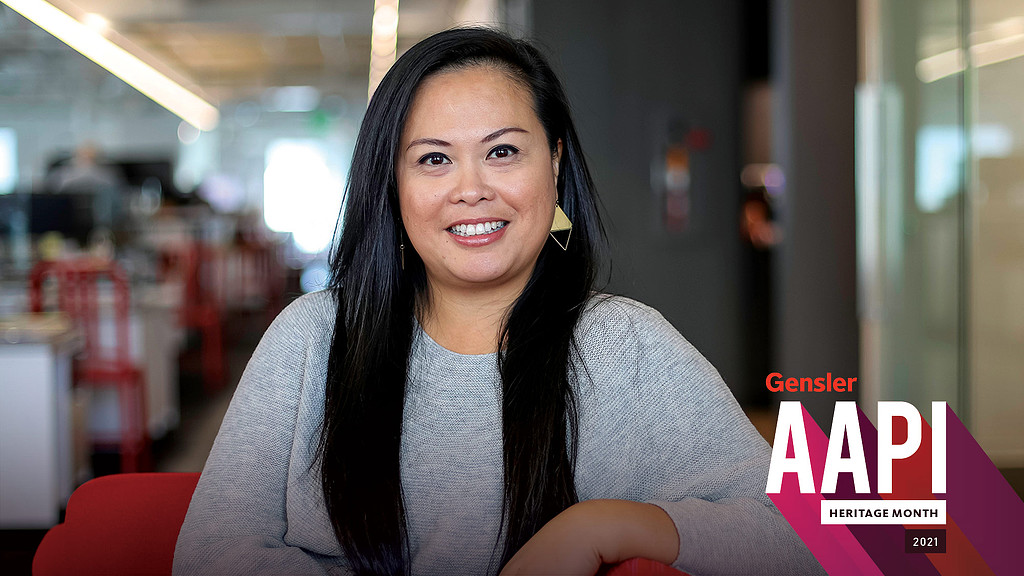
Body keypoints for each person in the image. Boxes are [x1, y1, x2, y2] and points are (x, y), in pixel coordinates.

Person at [173, 27, 822, 576]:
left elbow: (816, 535)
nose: (472, 189)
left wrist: (602, 527)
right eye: (434, 160)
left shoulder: (624, 348)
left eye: (503, 151)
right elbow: (210, 556)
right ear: (392, 184)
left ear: (555, 163)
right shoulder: (312, 338)